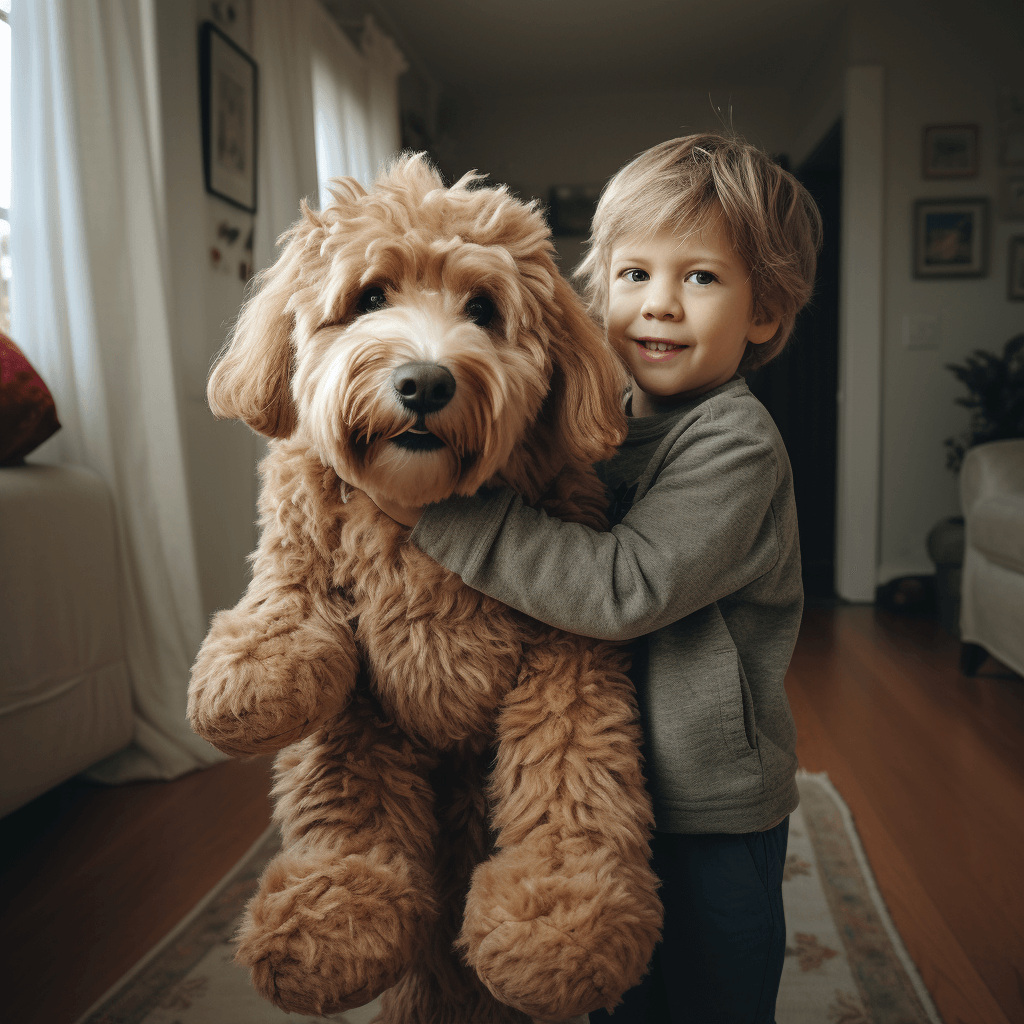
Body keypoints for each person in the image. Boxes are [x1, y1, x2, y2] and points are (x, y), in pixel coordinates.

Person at [372, 132, 822, 1024]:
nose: (659, 305)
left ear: (764, 312)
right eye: (633, 275)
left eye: (700, 278)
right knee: (614, 988)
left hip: (707, 803)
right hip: (595, 793)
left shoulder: (735, 442)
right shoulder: (599, 416)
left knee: (713, 993)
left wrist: (441, 512)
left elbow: (626, 587)